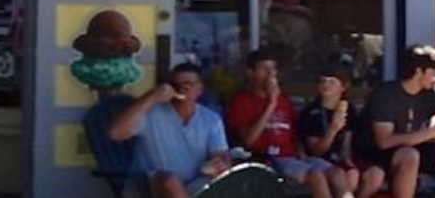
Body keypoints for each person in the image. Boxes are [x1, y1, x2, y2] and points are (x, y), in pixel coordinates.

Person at [358, 44, 435, 198]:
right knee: (410, 155)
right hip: (379, 154)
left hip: (413, 148)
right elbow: (383, 142)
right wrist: (430, 133)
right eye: (434, 72)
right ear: (419, 71)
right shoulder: (386, 94)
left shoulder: (430, 95)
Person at [105, 62, 232, 198]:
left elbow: (220, 155)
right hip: (149, 185)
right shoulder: (151, 113)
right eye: (176, 85)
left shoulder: (210, 119)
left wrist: (219, 163)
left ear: (199, 89)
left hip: (194, 185)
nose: (182, 89)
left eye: (188, 84)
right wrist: (152, 96)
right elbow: (115, 133)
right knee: (169, 181)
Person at [225, 48, 338, 198]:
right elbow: (248, 141)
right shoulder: (241, 102)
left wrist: (300, 151)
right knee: (315, 176)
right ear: (251, 73)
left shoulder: (284, 101)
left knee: (337, 175)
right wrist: (271, 103)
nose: (271, 74)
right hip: (266, 159)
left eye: (273, 69)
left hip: (291, 156)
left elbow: (293, 132)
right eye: (265, 69)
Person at [298, 67, 375, 198]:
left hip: (338, 158)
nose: (325, 85)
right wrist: (333, 129)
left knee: (374, 174)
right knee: (344, 176)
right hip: (317, 160)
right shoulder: (311, 112)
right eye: (322, 81)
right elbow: (316, 151)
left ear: (343, 87)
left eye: (332, 81)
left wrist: (348, 162)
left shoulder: (348, 109)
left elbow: (347, 144)